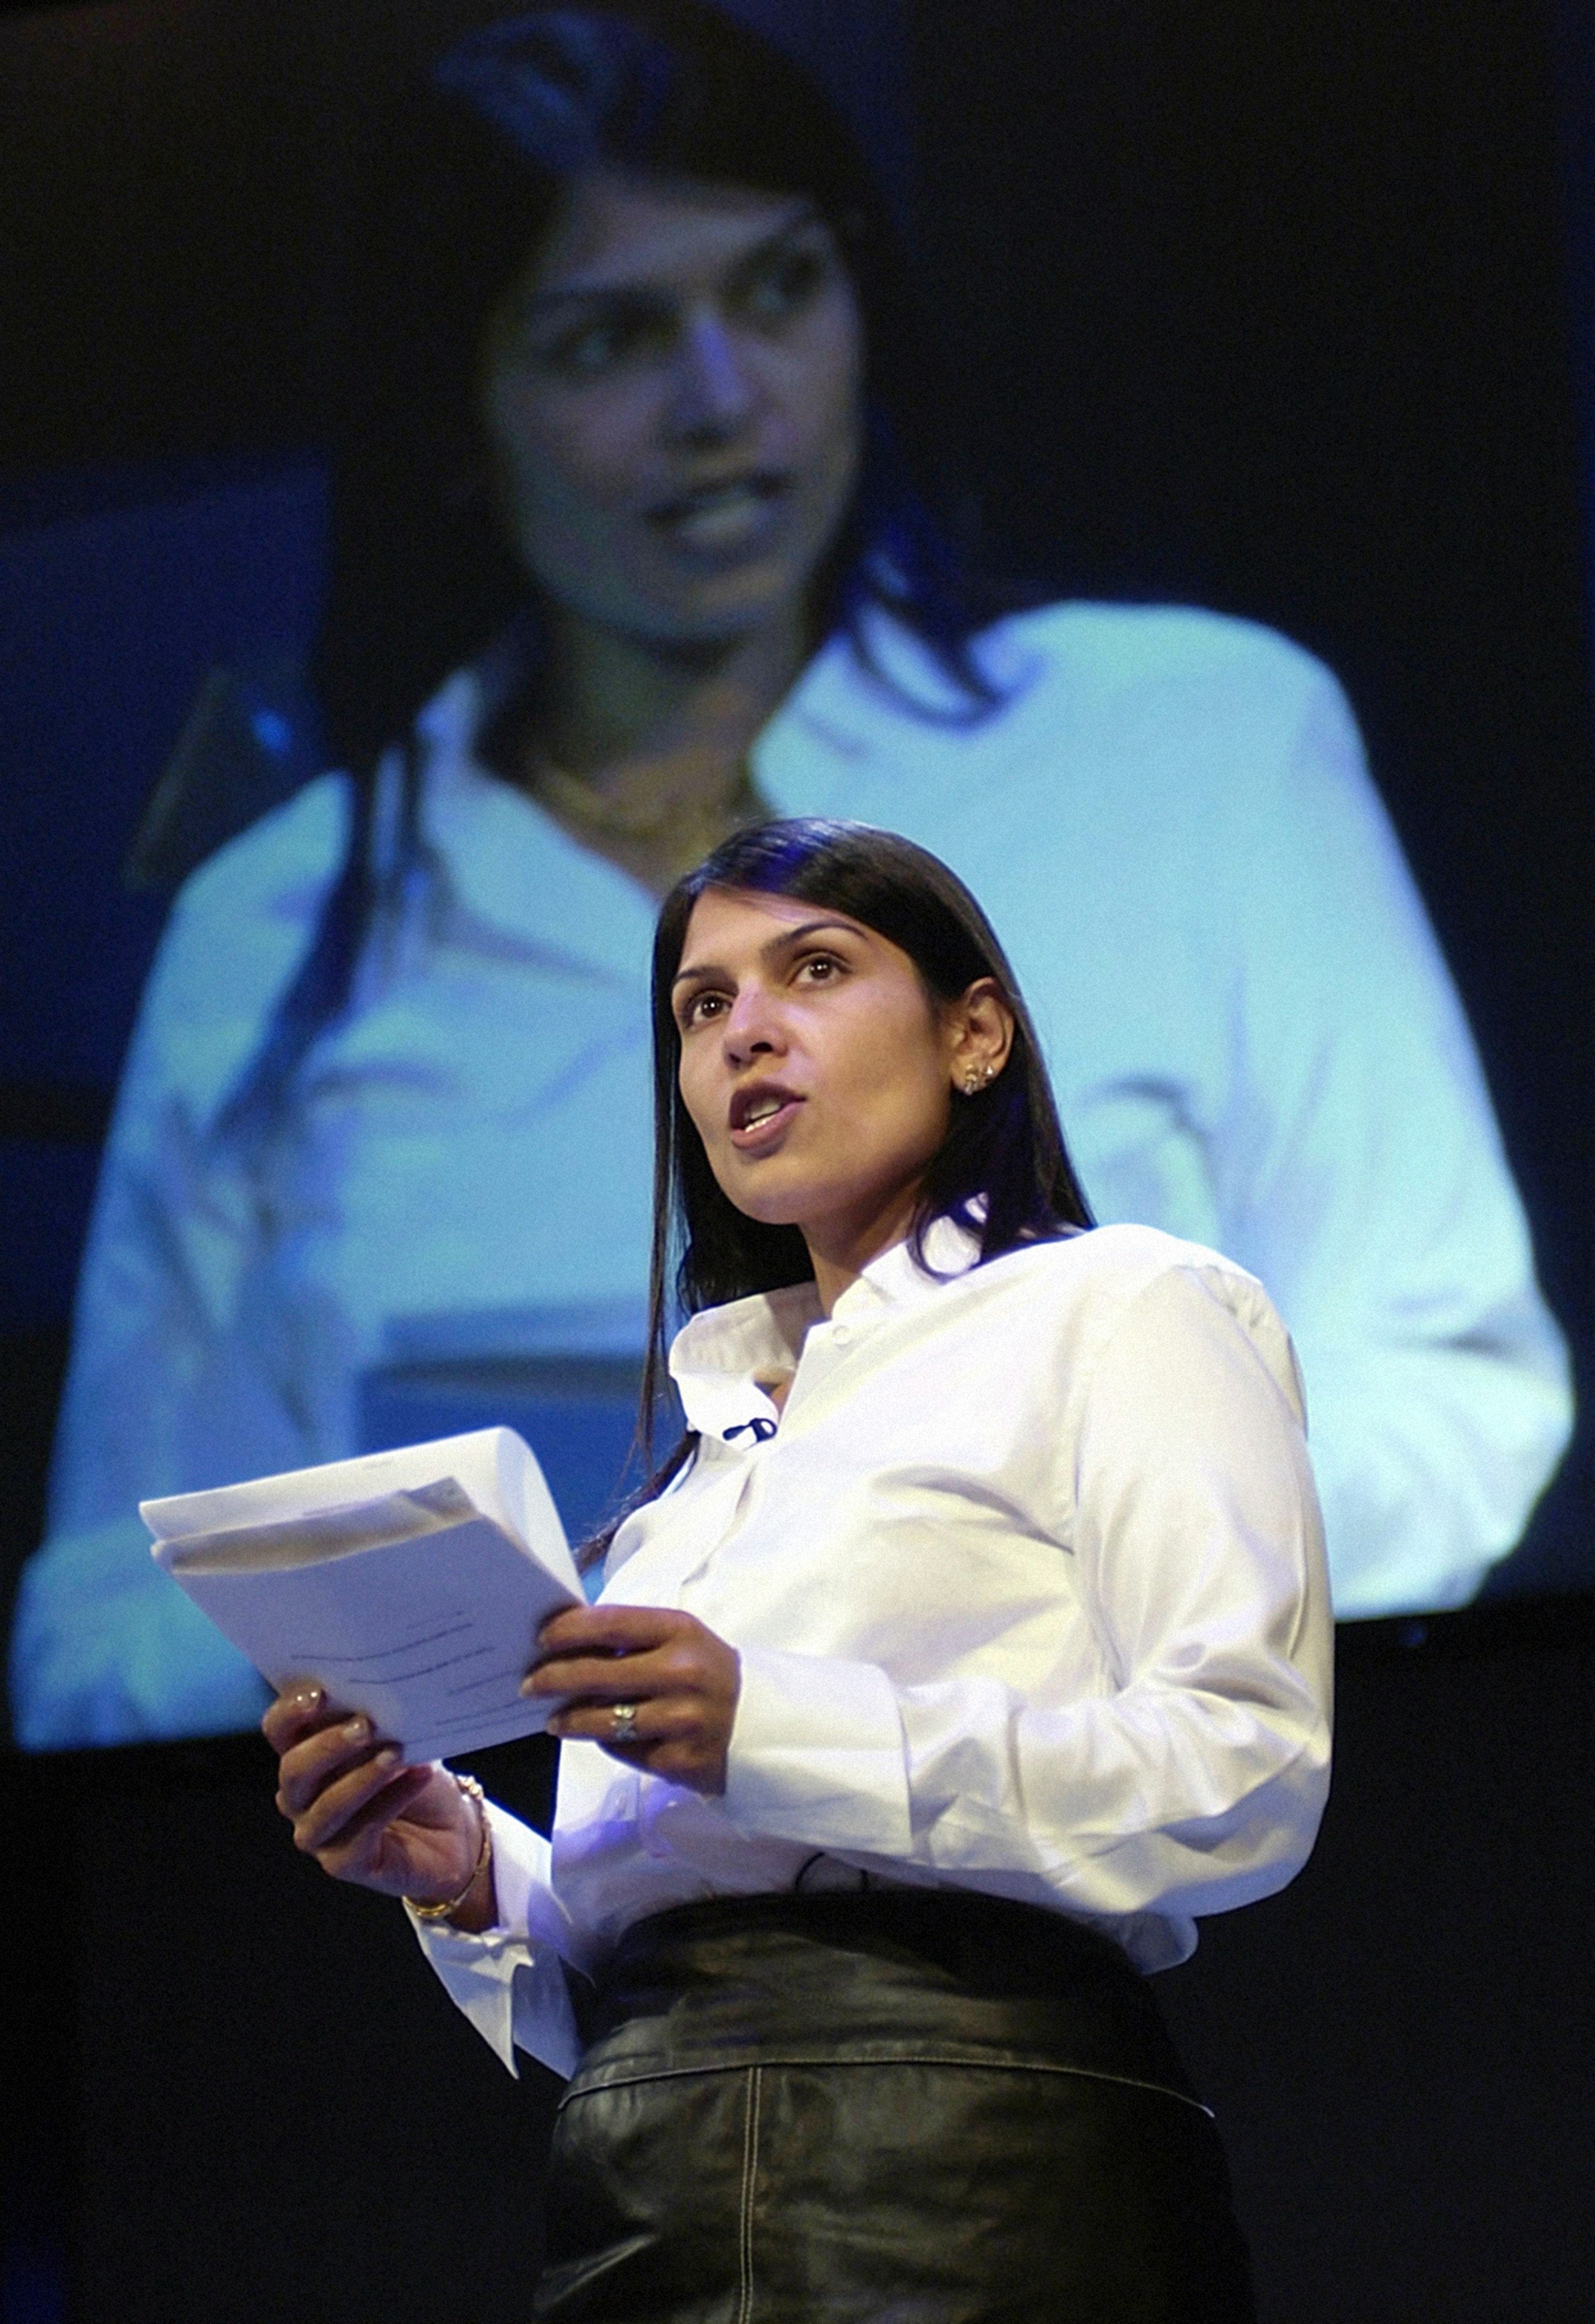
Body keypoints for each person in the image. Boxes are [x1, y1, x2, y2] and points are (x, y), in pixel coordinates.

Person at [10, 1, 1571, 1750]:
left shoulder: (1199, 740)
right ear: (457, 401)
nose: (722, 403)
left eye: (774, 292)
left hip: (1100, 1815)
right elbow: (101, 1619)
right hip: (510, 1871)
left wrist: (925, 1655)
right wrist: (428, 1663)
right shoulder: (279, 924)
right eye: (606, 340)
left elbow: (1448, 1388)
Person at [266, 818, 1333, 2319]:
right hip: (643, 2173)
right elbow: (690, 1940)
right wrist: (471, 1876)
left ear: (973, 1033)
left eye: (811, 970)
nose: (742, 1034)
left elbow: (1240, 1771)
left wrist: (768, 1729)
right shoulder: (690, 1469)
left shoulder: (1125, 1305)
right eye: (701, 1008)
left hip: (976, 2154)